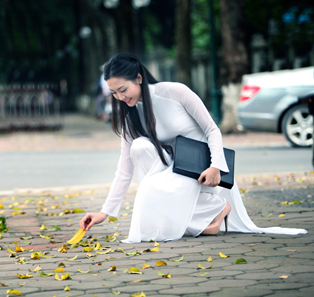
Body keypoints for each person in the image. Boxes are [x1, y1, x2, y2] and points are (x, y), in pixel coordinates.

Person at [79, 53, 307, 243]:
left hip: (203, 173)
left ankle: (215, 206)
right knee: (138, 148)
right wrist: (104, 212)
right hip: (173, 170)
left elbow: (212, 130)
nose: (120, 97)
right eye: (114, 93)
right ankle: (211, 212)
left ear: (138, 78)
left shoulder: (175, 92)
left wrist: (216, 166)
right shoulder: (130, 116)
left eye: (122, 89)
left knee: (150, 195)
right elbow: (125, 167)